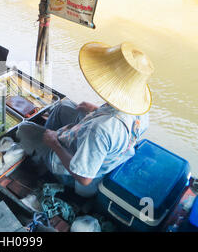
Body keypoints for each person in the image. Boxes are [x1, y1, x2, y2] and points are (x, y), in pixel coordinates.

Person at [16, 41, 154, 197]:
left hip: (76, 175)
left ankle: (45, 158)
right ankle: (45, 146)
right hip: (104, 150)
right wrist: (95, 110)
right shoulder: (139, 110)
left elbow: (84, 179)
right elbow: (119, 125)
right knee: (64, 106)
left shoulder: (101, 130)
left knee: (25, 129)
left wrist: (55, 144)